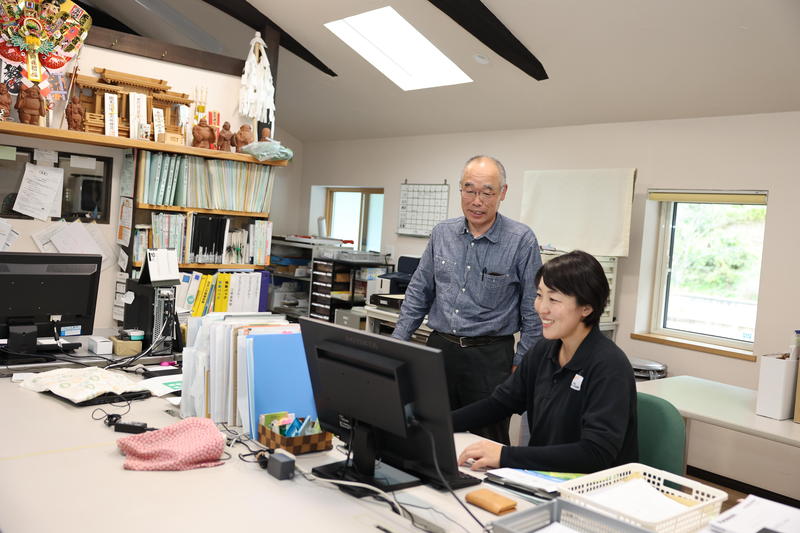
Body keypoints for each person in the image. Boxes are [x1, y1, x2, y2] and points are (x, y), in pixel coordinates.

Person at [392, 155, 542, 445]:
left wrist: (520, 364)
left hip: (490, 359)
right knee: (430, 433)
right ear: (460, 189)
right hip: (439, 350)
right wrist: (397, 342)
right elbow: (419, 291)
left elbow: (532, 310)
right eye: (470, 190)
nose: (477, 201)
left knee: (486, 442)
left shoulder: (521, 239)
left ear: (502, 193)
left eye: (487, 192)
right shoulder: (442, 233)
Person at [455, 250, 638, 473]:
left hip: (592, 492)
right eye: (540, 295)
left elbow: (595, 454)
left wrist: (505, 455)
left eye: (554, 299)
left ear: (586, 308)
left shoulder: (609, 366)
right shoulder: (544, 349)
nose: (542, 308)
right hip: (541, 479)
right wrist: (438, 424)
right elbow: (500, 403)